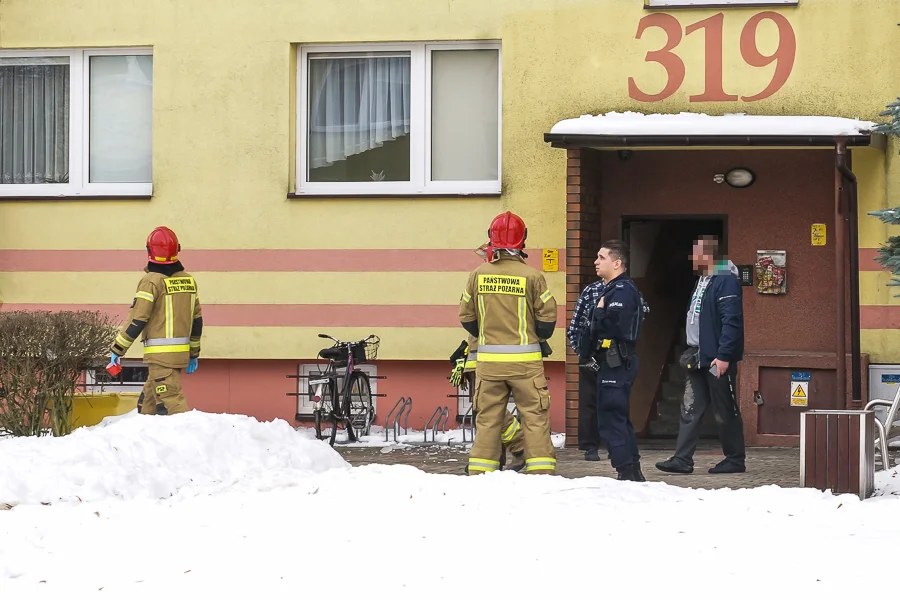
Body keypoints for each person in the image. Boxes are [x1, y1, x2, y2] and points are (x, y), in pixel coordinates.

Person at [459, 211, 558, 475]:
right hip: (526, 365)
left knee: (488, 418)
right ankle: (540, 472)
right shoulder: (532, 276)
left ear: (491, 239)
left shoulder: (477, 275)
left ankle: (481, 472)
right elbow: (547, 322)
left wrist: (491, 334)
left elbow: (467, 320)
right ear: (522, 240)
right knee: (534, 417)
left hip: (489, 364)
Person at [656, 235, 746, 474]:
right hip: (697, 355)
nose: (691, 258)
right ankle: (682, 459)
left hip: (716, 357)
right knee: (690, 407)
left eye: (695, 254)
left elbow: (731, 321)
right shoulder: (703, 280)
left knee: (724, 408)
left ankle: (735, 459)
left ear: (707, 255)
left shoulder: (725, 280)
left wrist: (724, 355)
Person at [108, 226, 203, 416]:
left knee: (172, 407)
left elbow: (138, 319)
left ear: (150, 251)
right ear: (177, 250)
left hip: (160, 357)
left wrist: (117, 349)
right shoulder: (188, 281)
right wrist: (193, 353)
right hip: (178, 355)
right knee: (147, 406)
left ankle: (186, 444)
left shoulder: (150, 281)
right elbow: (197, 321)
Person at [587, 240, 646, 482]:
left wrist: (600, 313)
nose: (596, 261)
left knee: (612, 417)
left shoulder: (622, 291)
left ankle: (626, 471)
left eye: (602, 257)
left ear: (617, 263)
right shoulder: (612, 289)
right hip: (612, 362)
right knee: (616, 417)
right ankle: (630, 469)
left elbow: (617, 327)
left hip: (617, 363)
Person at [450, 337, 526, 472]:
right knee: (484, 409)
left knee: (487, 409)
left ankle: (519, 446)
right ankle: (497, 456)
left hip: (488, 359)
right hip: (483, 356)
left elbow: (472, 321)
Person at [566, 277, 606, 461]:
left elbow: (642, 313)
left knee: (615, 400)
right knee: (589, 401)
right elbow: (573, 327)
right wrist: (582, 352)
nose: (596, 262)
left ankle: (617, 444)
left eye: (601, 258)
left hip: (617, 354)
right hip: (592, 352)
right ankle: (590, 446)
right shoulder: (591, 291)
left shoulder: (627, 290)